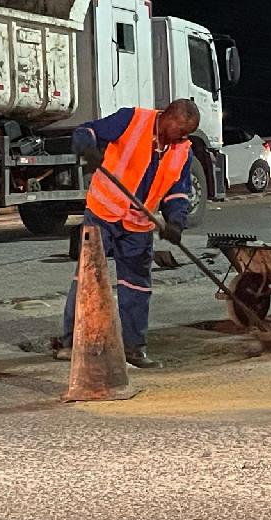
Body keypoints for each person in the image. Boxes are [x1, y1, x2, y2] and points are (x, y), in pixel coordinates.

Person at [57, 99, 200, 369]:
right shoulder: (132, 120)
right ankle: (71, 343)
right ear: (166, 117)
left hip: (137, 224)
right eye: (180, 129)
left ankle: (134, 348)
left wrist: (176, 222)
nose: (183, 136)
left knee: (137, 286)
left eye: (187, 133)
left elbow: (177, 192)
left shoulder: (182, 150)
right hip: (103, 213)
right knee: (89, 279)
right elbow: (86, 131)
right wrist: (87, 148)